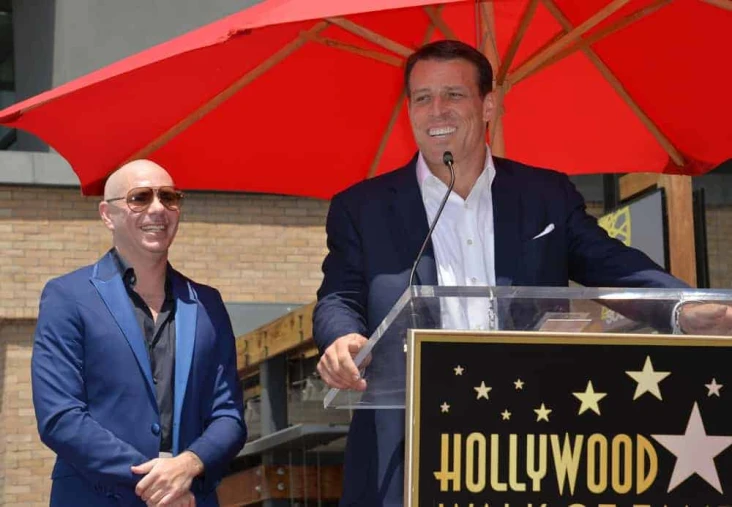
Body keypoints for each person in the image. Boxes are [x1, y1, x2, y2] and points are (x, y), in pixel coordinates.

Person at [313, 40, 732, 506]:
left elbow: (612, 265)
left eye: (453, 94)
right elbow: (339, 296)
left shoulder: (544, 196)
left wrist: (684, 307)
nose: (437, 110)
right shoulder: (362, 208)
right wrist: (341, 338)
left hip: (528, 439)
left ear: (488, 105)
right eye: (422, 97)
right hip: (408, 443)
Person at [31, 159, 247, 507]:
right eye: (140, 198)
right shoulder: (67, 297)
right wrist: (156, 483)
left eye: (169, 197)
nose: (158, 208)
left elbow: (229, 416)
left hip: (190, 496)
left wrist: (189, 465)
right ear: (107, 215)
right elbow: (61, 417)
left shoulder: (208, 303)